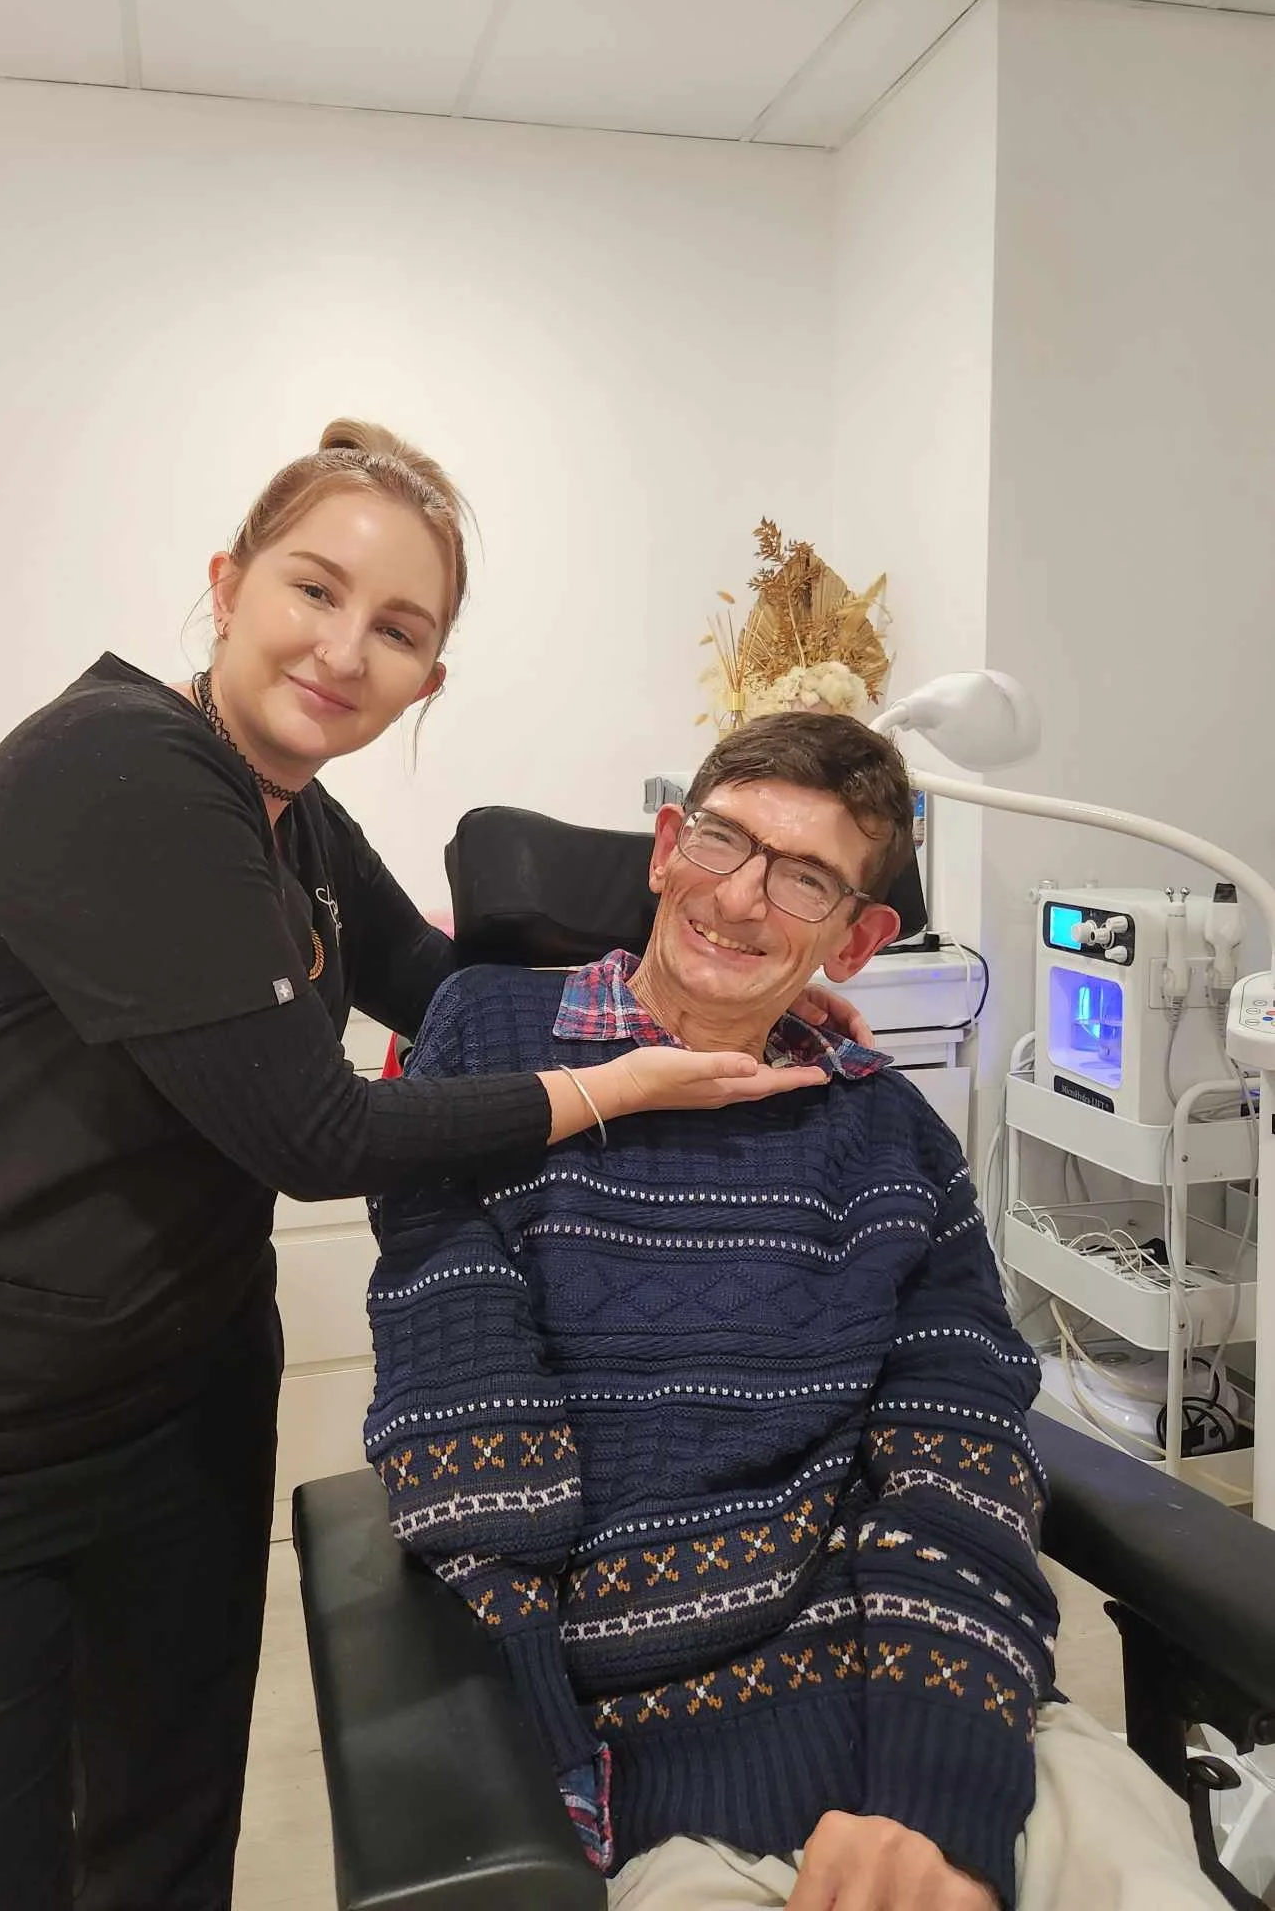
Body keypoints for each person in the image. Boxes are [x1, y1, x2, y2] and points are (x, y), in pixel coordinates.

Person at [0, 422, 870, 1911]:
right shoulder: (121, 772)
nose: (347, 649)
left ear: (432, 677)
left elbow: (443, 969)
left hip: (166, 1412)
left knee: (159, 1855)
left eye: (400, 630)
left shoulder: (284, 809)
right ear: (227, 585)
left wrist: (733, 918)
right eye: (314, 591)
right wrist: (616, 1085)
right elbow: (319, 1134)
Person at [366, 712, 1226, 1911]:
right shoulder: (492, 1044)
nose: (742, 899)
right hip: (665, 1781)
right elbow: (468, 1453)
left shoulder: (887, 1135)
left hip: (950, 1719)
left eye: (807, 876)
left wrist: (939, 1802)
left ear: (859, 935)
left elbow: (960, 1456)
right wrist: (555, 1788)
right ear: (668, 847)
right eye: (724, 841)